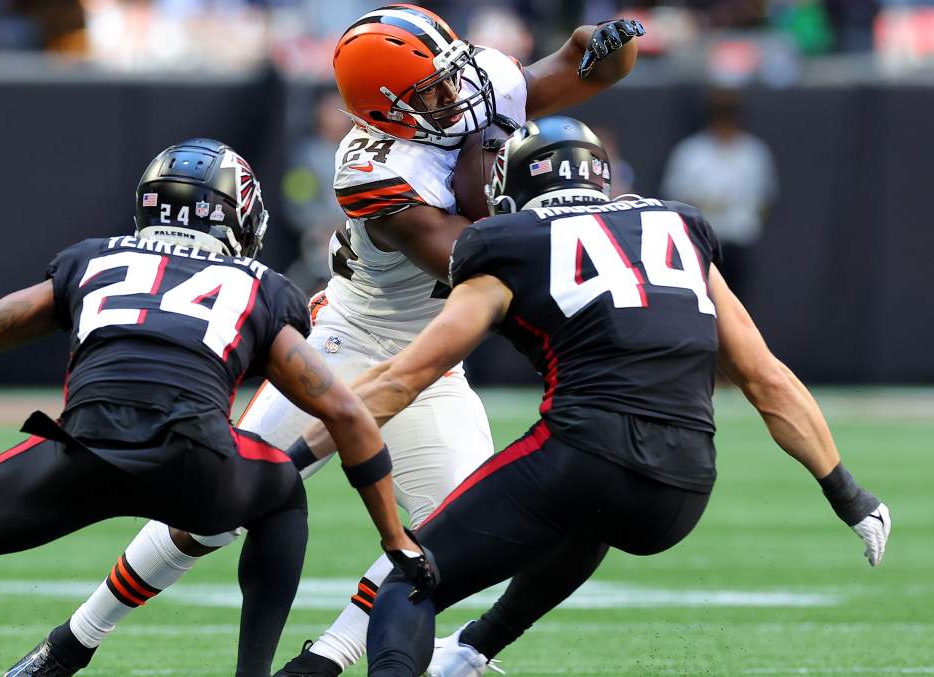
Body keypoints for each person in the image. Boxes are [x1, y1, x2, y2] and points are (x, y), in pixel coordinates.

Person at [8, 6, 645, 676]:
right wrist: (534, 187)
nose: (455, 94)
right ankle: (72, 640)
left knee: (459, 532)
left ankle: (323, 662)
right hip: (348, 346)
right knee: (217, 508)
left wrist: (606, 45)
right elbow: (482, 257)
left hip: (434, 363)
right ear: (386, 111)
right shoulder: (377, 169)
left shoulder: (467, 83)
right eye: (432, 91)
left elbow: (585, 69)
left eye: (451, 75)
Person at [289, 117, 891, 677]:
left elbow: (404, 379)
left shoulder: (509, 240)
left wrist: (291, 459)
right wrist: (850, 496)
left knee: (408, 582)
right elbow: (766, 379)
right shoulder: (678, 228)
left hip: (584, 451)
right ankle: (472, 649)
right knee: (588, 515)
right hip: (683, 487)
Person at [0, 138, 429, 677]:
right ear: (239, 215)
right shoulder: (261, 285)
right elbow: (346, 414)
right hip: (196, 463)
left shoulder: (94, 259)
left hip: (81, 453)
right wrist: (393, 538)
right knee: (281, 495)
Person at [661, 88, 777, 298]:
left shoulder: (753, 153)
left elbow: (765, 198)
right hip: (700, 246)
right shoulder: (691, 152)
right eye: (720, 114)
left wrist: (748, 223)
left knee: (738, 302)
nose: (725, 121)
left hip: (738, 243)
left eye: (730, 114)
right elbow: (675, 197)